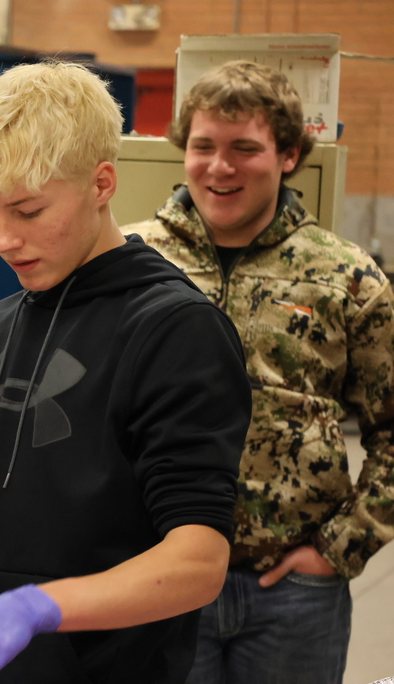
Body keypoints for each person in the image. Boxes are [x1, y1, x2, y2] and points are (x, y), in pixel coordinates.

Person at [0, 61, 253, 684]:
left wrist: (40, 608)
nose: (3, 239)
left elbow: (197, 562)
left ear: (102, 183)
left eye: (27, 210)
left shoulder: (175, 330)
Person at [127, 60, 394, 683]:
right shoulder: (132, 261)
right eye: (203, 147)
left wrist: (340, 548)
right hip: (154, 578)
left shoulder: (347, 278)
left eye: (244, 149)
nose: (220, 168)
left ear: (289, 155)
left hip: (293, 595)